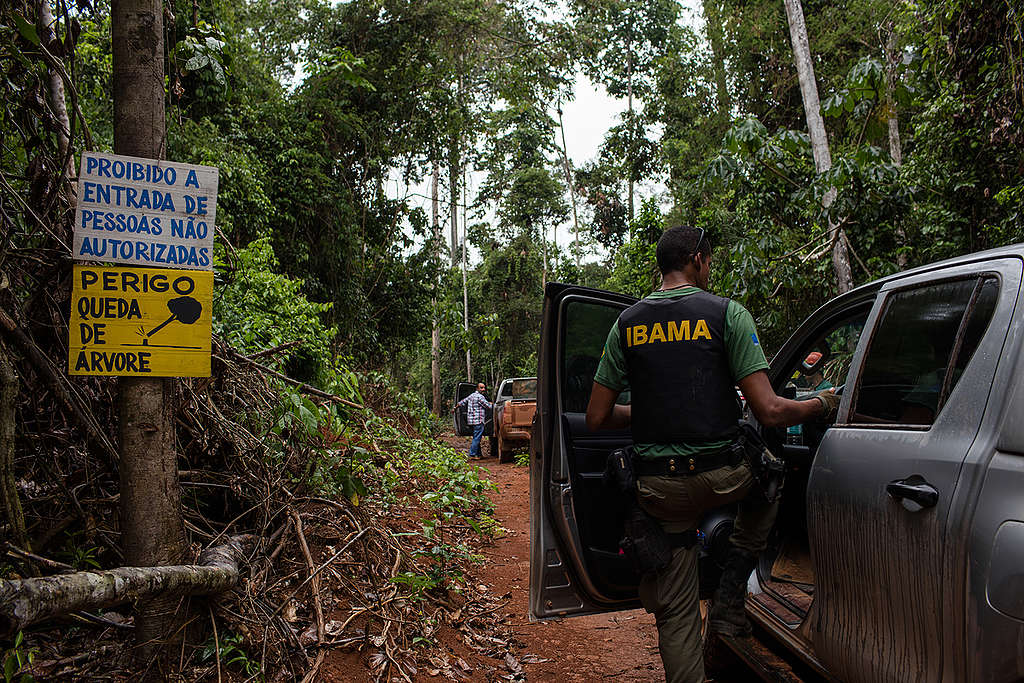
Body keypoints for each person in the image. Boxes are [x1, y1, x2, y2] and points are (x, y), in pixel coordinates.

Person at [585, 225, 840, 683]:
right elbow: (770, 410)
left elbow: (597, 418)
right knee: (770, 479)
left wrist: (646, 409)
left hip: (659, 489)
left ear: (663, 266)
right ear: (698, 260)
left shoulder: (627, 324)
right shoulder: (727, 314)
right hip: (724, 477)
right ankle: (728, 597)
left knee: (676, 612)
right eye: (710, 262)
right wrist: (823, 402)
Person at [454, 382, 492, 460]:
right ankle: (472, 453)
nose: (483, 389)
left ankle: (478, 455)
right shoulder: (480, 397)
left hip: (471, 421)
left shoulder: (471, 396)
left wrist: (455, 408)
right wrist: (492, 404)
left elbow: (461, 402)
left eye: (484, 387)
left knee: (476, 437)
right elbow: (488, 407)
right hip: (478, 421)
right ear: (477, 388)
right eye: (481, 388)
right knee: (477, 438)